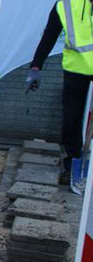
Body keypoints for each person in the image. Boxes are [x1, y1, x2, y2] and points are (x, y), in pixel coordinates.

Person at [28, 0, 93, 185]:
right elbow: (49, 36)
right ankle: (72, 162)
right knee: (71, 118)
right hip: (76, 69)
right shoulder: (65, 5)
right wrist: (36, 66)